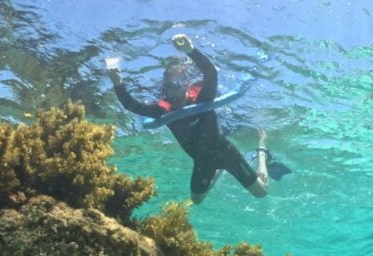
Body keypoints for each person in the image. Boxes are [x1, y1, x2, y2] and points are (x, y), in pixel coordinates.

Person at [108, 34, 268, 204]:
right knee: (196, 200)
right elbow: (132, 106)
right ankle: (220, 171)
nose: (172, 94)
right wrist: (118, 83)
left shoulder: (202, 99)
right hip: (202, 162)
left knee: (261, 192)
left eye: (176, 86)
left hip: (226, 153)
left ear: (185, 85)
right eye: (167, 88)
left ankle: (262, 149)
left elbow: (211, 73)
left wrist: (190, 50)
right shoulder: (163, 110)